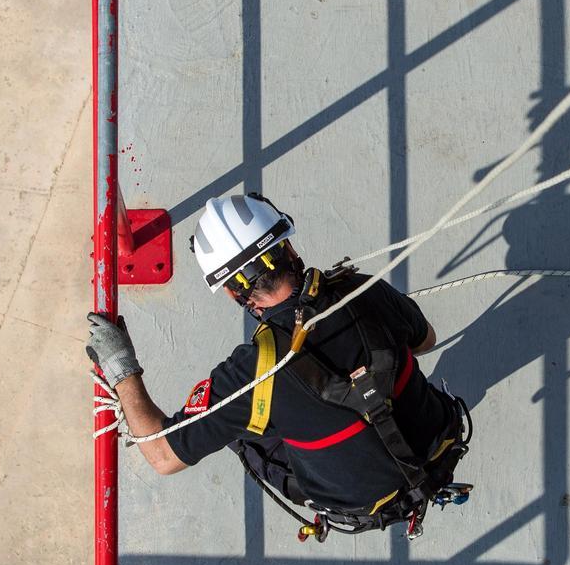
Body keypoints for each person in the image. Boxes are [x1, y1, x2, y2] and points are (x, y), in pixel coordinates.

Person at [86, 193, 471, 540]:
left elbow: (163, 456)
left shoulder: (252, 374)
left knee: (242, 430)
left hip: (364, 502)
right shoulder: (361, 289)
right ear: (287, 247)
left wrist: (121, 365)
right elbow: (426, 340)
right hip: (439, 446)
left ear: (235, 294)